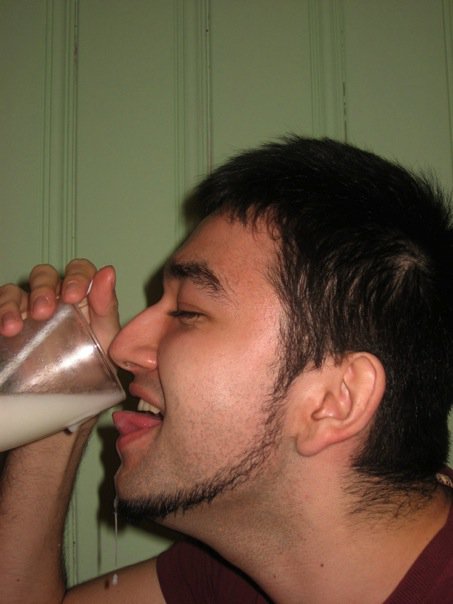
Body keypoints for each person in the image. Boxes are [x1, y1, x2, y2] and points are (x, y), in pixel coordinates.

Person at [0, 135, 453, 603]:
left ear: (333, 401)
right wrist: (63, 383)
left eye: (187, 312)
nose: (122, 349)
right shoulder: (238, 567)